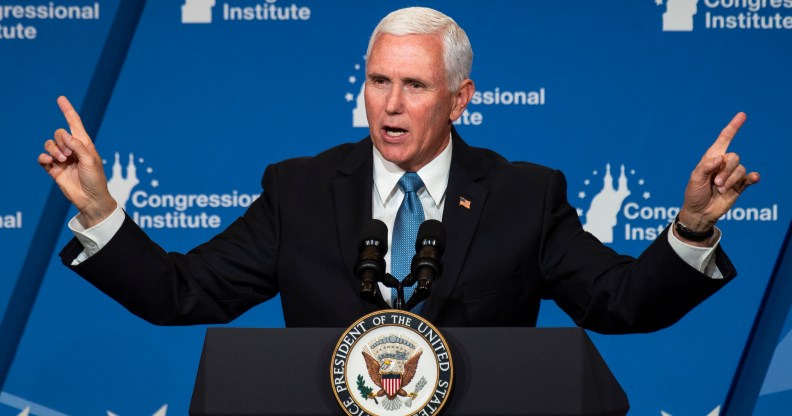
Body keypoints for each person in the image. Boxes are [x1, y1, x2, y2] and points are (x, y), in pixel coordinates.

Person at [38, 7, 758, 333]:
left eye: (414, 86)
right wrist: (101, 210)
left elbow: (621, 303)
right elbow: (181, 294)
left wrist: (692, 224)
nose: (389, 103)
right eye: (378, 81)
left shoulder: (523, 196)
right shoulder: (300, 190)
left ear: (460, 99)